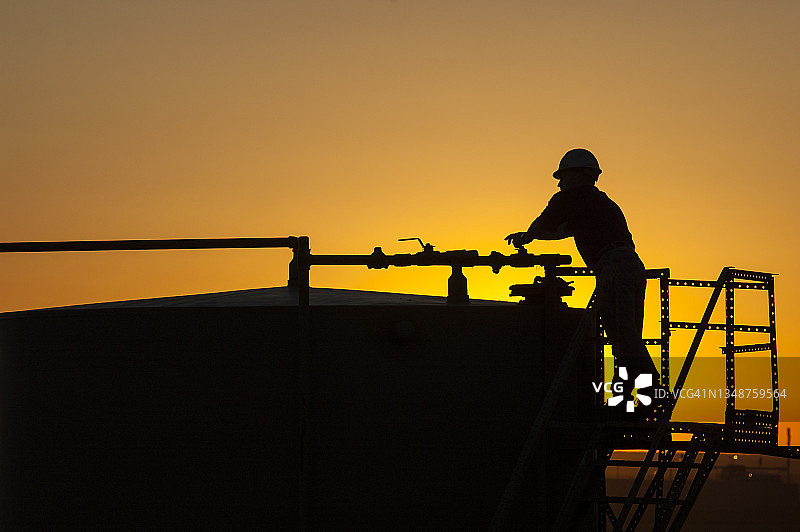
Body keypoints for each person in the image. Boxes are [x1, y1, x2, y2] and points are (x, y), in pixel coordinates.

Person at [504, 148, 660, 410]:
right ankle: (623, 402)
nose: (559, 182)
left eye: (562, 176)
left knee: (623, 337)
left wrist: (525, 238)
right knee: (626, 337)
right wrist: (534, 234)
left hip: (613, 267)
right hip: (631, 265)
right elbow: (561, 231)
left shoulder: (569, 198)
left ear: (577, 175)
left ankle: (654, 392)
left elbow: (545, 223)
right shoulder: (600, 204)